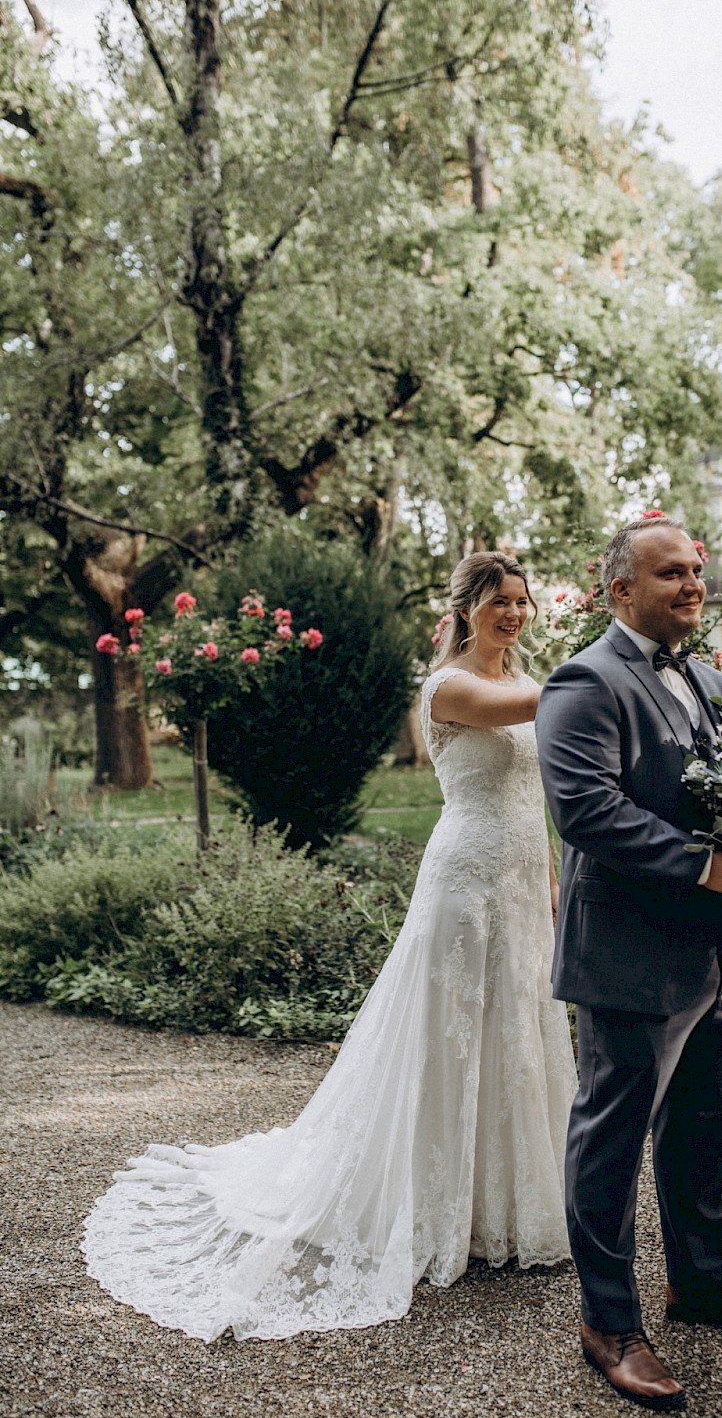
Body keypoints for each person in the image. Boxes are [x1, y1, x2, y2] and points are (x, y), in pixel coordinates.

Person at [83, 552, 578, 1341]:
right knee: (453, 1036)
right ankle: (433, 1203)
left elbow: (533, 790)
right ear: (466, 608)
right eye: (499, 603)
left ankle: (507, 1204)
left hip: (520, 884)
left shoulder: (530, 678)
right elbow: (539, 702)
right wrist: (608, 666)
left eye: (522, 602)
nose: (514, 615)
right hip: (465, 884)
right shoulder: (450, 686)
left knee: (516, 1031)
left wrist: (551, 877)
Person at [535, 515, 722, 1411]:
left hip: (721, 948)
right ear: (621, 592)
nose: (694, 583)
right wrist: (706, 866)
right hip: (629, 954)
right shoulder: (584, 682)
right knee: (611, 1140)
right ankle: (607, 1323)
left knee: (702, 1128)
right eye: (670, 574)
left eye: (696, 570)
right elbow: (585, 811)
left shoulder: (712, 679)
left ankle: (702, 1283)